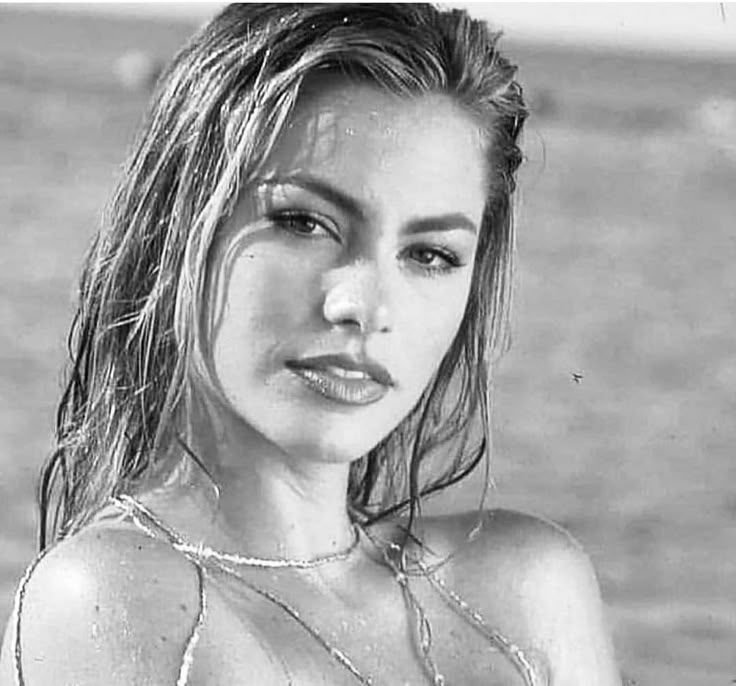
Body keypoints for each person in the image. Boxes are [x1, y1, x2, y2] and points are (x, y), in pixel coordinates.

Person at [0, 4, 624, 685]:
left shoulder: (529, 589)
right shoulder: (112, 599)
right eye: (303, 222)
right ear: (173, 228)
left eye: (430, 255)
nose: (362, 306)